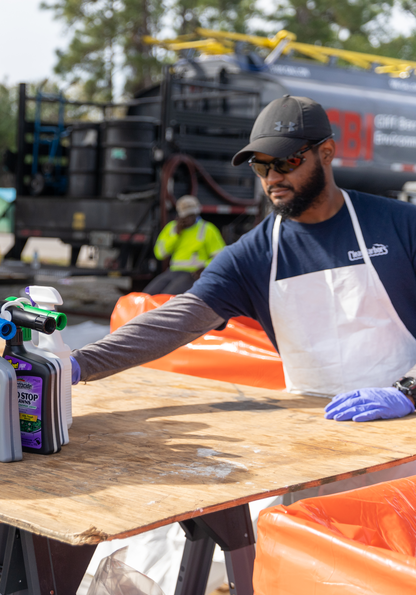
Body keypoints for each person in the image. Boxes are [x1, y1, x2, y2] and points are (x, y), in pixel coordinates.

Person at [71, 95, 416, 422]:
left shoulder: (401, 225)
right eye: (261, 166)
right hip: (317, 428)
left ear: (326, 153)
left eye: (286, 162)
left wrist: (408, 391)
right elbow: (175, 322)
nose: (273, 178)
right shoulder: (253, 256)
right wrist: (76, 364)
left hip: (406, 421)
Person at [145, 195, 225, 295]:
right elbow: (160, 254)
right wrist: (176, 235)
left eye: (192, 215)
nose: (189, 219)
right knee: (147, 295)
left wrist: (205, 268)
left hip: (193, 273)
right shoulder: (172, 228)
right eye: (186, 216)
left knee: (167, 296)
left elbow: (220, 257)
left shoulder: (208, 229)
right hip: (173, 271)